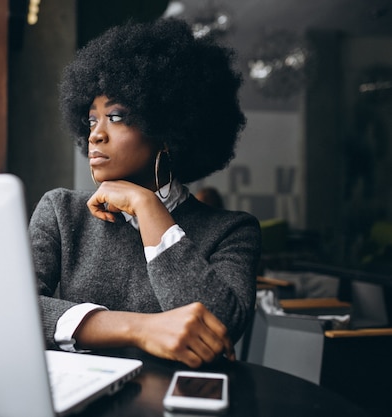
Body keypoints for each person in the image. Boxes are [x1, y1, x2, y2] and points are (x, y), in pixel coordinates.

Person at [29, 18, 261, 368]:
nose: (95, 134)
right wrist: (138, 329)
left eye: (117, 117)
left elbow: (218, 332)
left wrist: (148, 207)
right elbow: (13, 309)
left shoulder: (232, 231)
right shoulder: (62, 211)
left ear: (167, 128)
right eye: (92, 120)